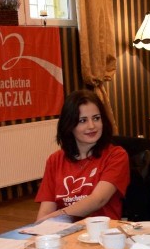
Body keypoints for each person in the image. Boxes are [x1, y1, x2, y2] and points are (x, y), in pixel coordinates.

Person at [35, 90, 130, 221]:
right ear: (69, 125)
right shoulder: (55, 160)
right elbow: (45, 211)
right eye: (82, 120)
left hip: (102, 235)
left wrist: (56, 216)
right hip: (64, 234)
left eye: (96, 118)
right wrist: (39, 228)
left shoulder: (116, 155)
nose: (91, 126)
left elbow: (98, 200)